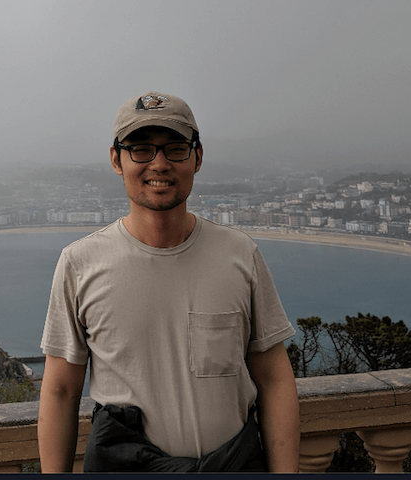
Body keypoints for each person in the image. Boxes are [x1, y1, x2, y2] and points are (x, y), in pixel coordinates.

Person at [37, 91, 300, 473]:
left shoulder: (240, 255)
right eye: (140, 149)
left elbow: (274, 379)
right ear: (117, 159)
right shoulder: (80, 263)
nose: (159, 164)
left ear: (198, 156)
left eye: (175, 148)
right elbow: (60, 391)